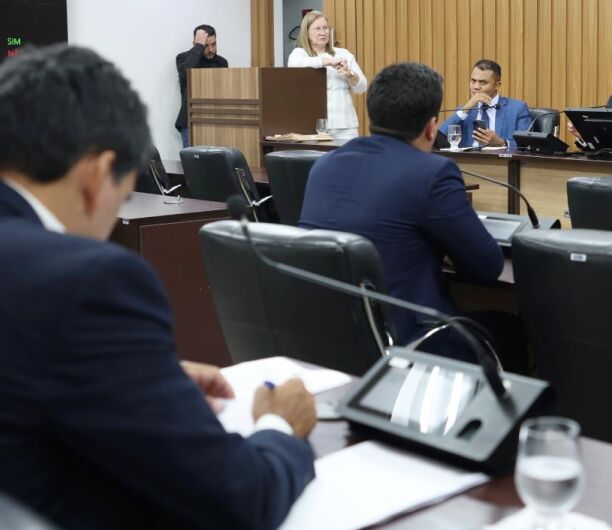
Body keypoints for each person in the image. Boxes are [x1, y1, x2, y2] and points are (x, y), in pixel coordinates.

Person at [0, 44, 315, 530]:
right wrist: (280, 427)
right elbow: (237, 500)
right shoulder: (86, 281)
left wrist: (134, 374)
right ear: (98, 174)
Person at [299, 63, 527, 374]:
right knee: (510, 329)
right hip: (411, 340)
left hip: (331, 336)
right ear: (432, 129)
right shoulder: (432, 172)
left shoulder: (323, 167)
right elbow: (487, 267)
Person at [287, 10, 367, 140]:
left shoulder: (343, 53)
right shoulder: (299, 53)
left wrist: (349, 73)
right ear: (306, 32)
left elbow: (361, 88)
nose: (323, 32)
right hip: (313, 126)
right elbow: (295, 65)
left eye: (325, 28)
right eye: (318, 28)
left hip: (345, 126)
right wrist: (328, 61)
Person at [439, 59, 532, 148]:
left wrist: (502, 142)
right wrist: (465, 109)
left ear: (497, 85)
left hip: (500, 159)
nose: (476, 87)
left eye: (482, 82)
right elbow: (439, 138)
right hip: (468, 158)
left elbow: (526, 145)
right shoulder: (465, 111)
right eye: (473, 81)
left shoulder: (517, 109)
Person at [176, 24, 229, 148]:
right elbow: (186, 72)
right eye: (206, 45)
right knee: (192, 160)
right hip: (190, 122)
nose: (211, 49)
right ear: (195, 44)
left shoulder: (222, 62)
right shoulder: (183, 58)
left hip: (216, 121)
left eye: (213, 44)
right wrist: (199, 47)